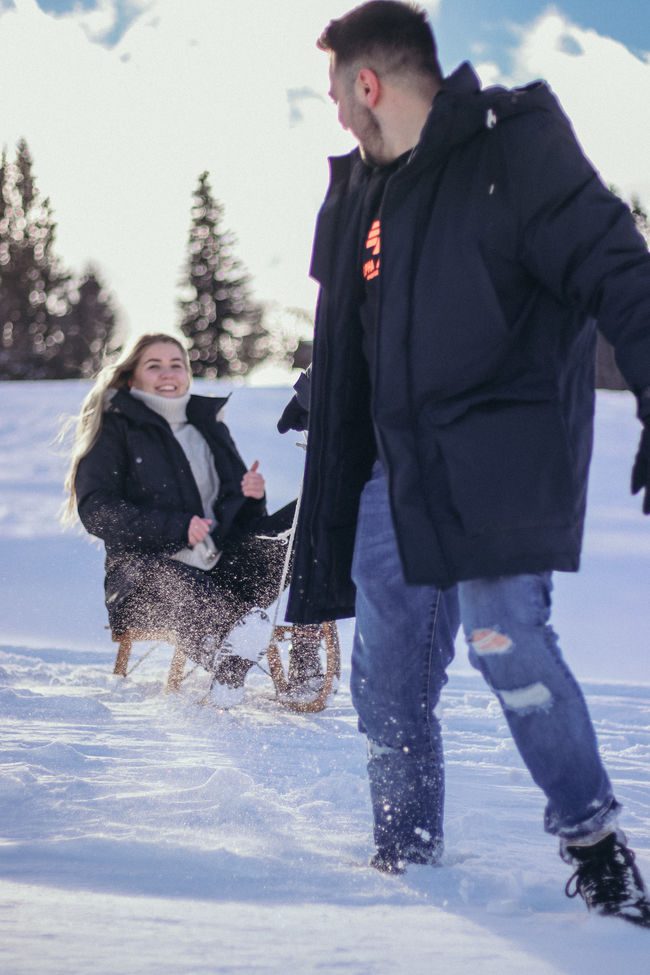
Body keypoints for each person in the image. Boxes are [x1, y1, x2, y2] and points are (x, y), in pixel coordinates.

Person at [278, 0, 650, 925]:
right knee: (386, 680)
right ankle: (406, 860)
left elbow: (620, 269)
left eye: (335, 93)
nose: (334, 114)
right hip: (393, 476)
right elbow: (362, 328)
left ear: (368, 84)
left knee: (504, 639)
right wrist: (318, 388)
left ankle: (596, 843)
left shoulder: (513, 149)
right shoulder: (361, 192)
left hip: (498, 457)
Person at [63, 332, 321, 706]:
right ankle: (228, 658)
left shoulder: (207, 423)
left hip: (222, 569)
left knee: (312, 513)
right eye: (155, 365)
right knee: (167, 578)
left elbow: (240, 523)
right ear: (132, 377)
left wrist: (251, 497)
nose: (168, 373)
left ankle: (302, 657)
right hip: (143, 578)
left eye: (177, 364)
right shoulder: (115, 429)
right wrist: (177, 526)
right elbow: (97, 512)